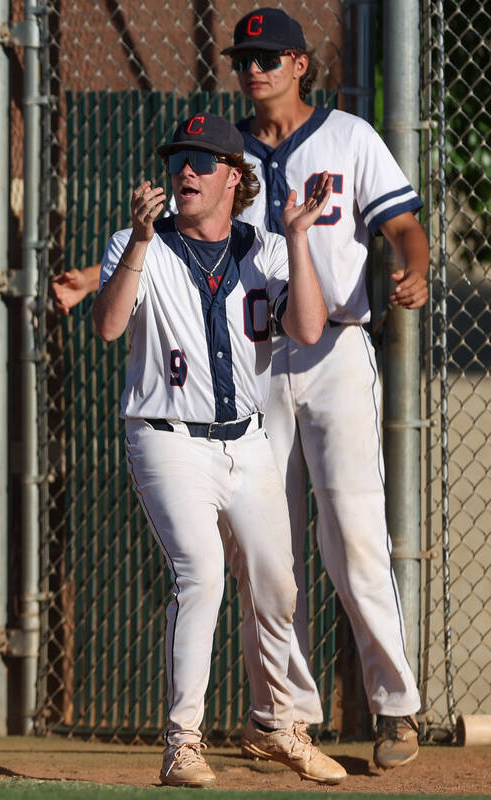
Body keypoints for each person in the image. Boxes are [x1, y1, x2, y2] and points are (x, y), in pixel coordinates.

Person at [90, 112, 346, 787]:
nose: (186, 172)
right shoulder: (134, 239)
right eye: (179, 159)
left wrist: (297, 238)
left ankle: (274, 724)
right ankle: (183, 740)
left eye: (203, 161)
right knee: (200, 572)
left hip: (250, 442)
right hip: (166, 438)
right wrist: (142, 241)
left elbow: (310, 327)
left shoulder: (264, 249)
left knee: (278, 582)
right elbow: (110, 327)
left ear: (236, 177)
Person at [224, 8, 427, 769]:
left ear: (301, 64)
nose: (257, 68)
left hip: (336, 350)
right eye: (246, 57)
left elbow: (402, 223)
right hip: (254, 358)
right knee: (264, 550)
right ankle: (284, 715)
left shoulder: (349, 138)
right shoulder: (224, 149)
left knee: (353, 538)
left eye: (272, 55)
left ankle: (396, 709)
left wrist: (417, 262)